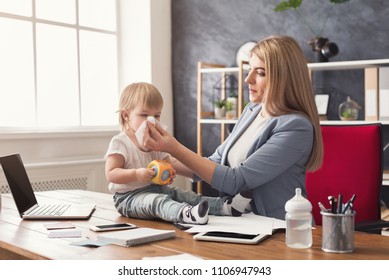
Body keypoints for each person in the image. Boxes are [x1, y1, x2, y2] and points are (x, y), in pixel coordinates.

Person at [143, 35, 324, 220]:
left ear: (284, 78)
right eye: (249, 69)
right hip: (239, 222)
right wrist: (162, 160)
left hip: (278, 230)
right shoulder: (252, 111)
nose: (248, 79)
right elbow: (215, 162)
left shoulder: (296, 127)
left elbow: (236, 181)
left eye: (260, 73)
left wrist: (173, 147)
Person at [104, 82, 251, 225]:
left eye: (157, 116)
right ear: (126, 116)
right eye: (144, 115)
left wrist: (169, 173)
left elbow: (167, 163)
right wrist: (136, 174)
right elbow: (111, 174)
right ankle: (186, 214)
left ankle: (225, 207)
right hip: (129, 198)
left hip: (157, 189)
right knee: (158, 202)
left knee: (183, 195)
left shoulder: (155, 142)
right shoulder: (121, 143)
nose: (151, 121)